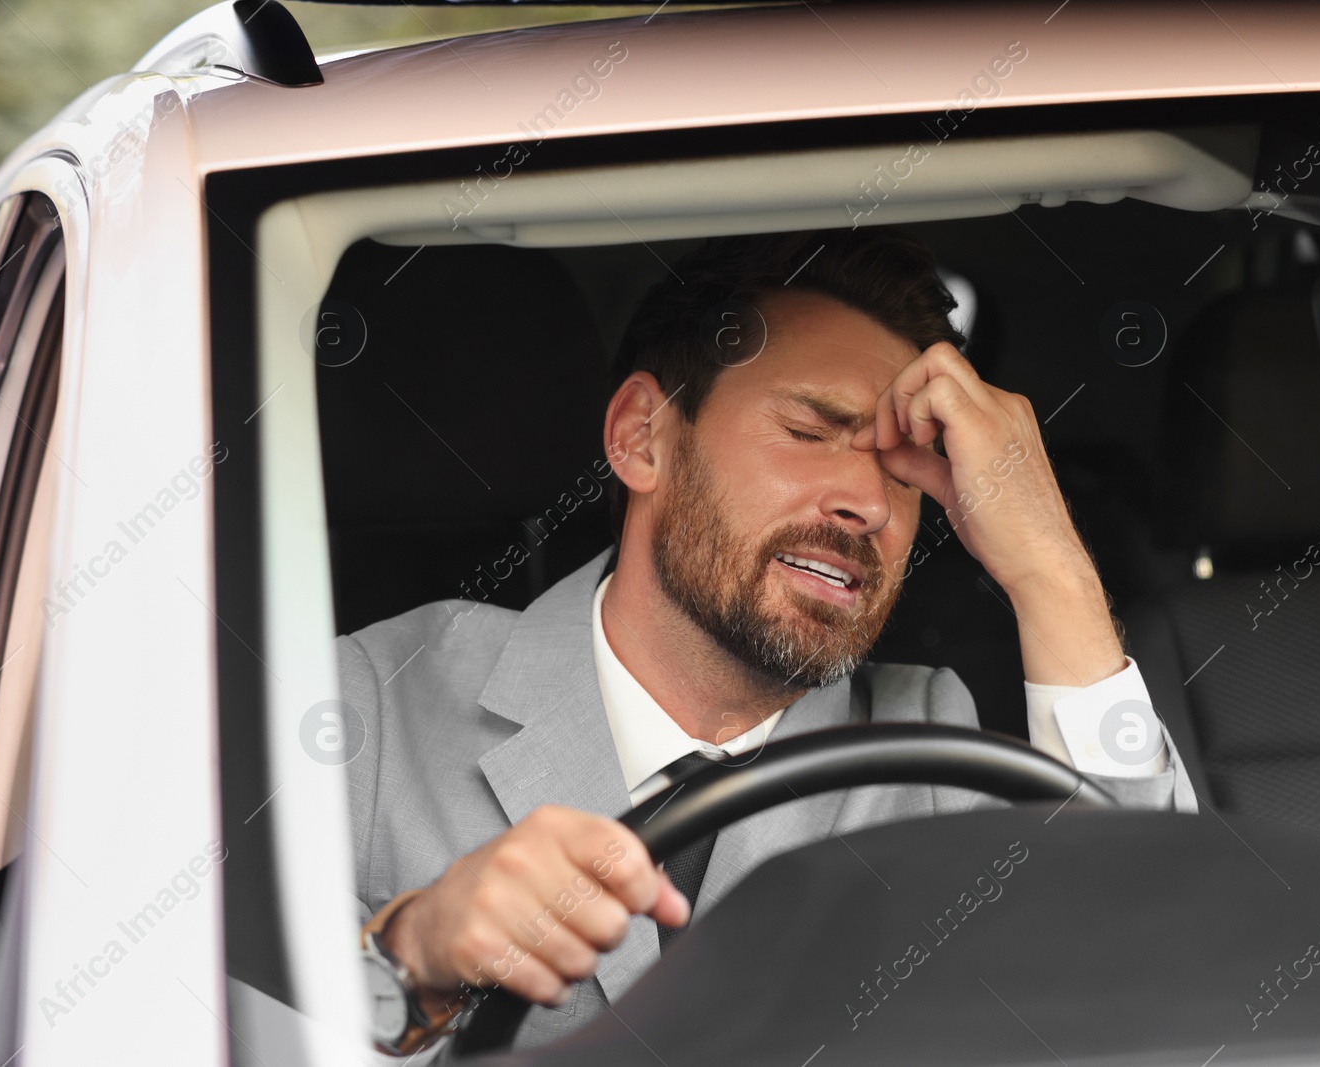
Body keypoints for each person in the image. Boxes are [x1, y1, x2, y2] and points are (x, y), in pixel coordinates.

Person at [342, 227, 1195, 1055]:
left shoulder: (929, 749)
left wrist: (1052, 570)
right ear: (643, 436)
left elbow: (1153, 990)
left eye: (906, 471)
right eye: (812, 431)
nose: (870, 501)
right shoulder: (375, 706)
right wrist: (410, 962)